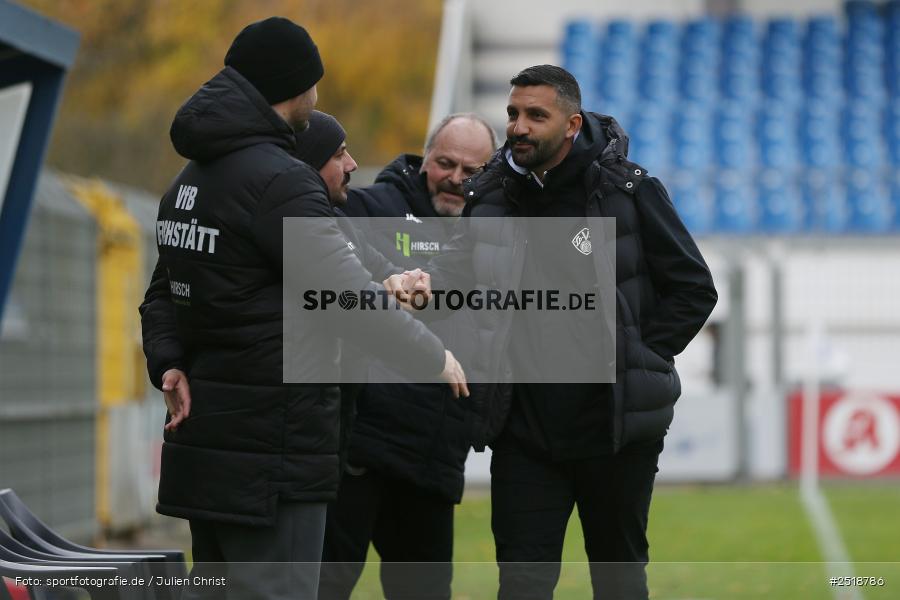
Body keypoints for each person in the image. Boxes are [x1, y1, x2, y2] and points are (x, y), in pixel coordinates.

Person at [139, 18, 466, 600]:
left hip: (209, 449)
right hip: (273, 453)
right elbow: (343, 299)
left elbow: (163, 292)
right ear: (296, 86)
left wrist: (167, 360)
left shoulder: (188, 182)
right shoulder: (280, 182)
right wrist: (431, 354)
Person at [423, 65, 718, 599]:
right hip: (524, 435)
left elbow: (694, 288)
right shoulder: (490, 195)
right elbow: (454, 279)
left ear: (572, 124)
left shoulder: (629, 190)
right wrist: (422, 283)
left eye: (537, 115)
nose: (519, 126)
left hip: (613, 432)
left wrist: (640, 355)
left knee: (619, 579)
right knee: (521, 584)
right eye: (513, 114)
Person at [308, 114, 495, 600]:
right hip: (360, 448)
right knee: (325, 585)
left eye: (471, 171)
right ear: (424, 158)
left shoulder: (493, 231)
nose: (455, 179)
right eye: (445, 163)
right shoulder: (363, 208)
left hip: (433, 453)